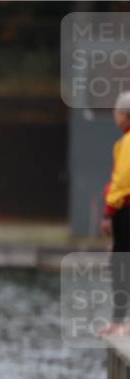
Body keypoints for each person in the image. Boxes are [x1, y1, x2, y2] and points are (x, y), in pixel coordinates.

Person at [102, 90, 130, 336]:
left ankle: (119, 322)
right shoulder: (123, 143)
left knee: (120, 264)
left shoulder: (127, 143)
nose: (114, 116)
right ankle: (120, 320)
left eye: (116, 112)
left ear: (124, 115)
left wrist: (109, 210)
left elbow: (121, 180)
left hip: (125, 210)